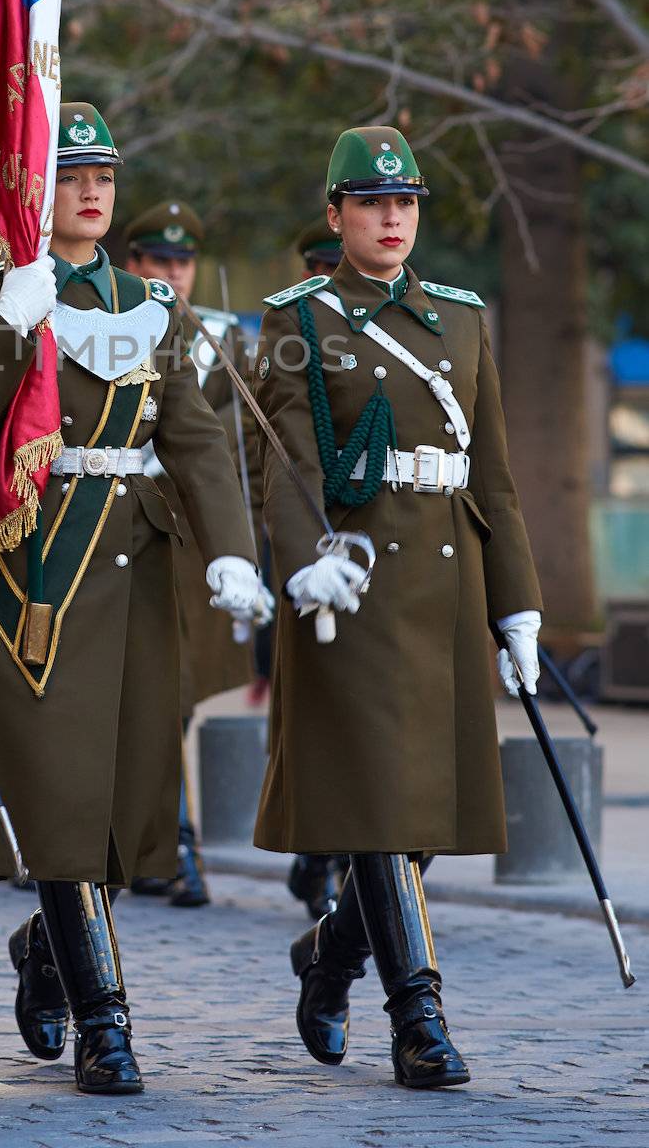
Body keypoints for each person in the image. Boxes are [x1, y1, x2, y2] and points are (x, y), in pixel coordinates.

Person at [0, 102, 259, 1095]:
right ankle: (105, 1024)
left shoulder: (150, 301)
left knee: (122, 799)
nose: (92, 190)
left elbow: (192, 436)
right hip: (34, 577)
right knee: (64, 792)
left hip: (135, 575)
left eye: (104, 173)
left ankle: (49, 943)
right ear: (35, 188)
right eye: (70, 173)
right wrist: (10, 325)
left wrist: (231, 551)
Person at [253, 125, 543, 1091]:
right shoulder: (298, 318)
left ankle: (332, 953)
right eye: (371, 202)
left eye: (405, 202)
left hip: (448, 587)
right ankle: (418, 1016)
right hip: (355, 584)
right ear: (335, 216)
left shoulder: (460, 319)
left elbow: (492, 479)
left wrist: (519, 607)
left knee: (416, 815)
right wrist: (304, 564)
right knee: (379, 807)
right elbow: (287, 462)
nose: (391, 217)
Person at [122, 199, 258, 907]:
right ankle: (172, 845)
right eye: (158, 261)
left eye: (182, 262)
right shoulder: (118, 325)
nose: (173, 274)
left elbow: (243, 452)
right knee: (144, 698)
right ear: (134, 264)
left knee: (175, 701)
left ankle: (161, 842)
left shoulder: (228, 344)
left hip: (200, 547)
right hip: (126, 529)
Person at [282, 219, 346, 922]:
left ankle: (331, 863)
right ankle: (321, 858)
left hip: (386, 555)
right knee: (322, 716)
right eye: (319, 267)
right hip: (306, 548)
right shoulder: (289, 332)